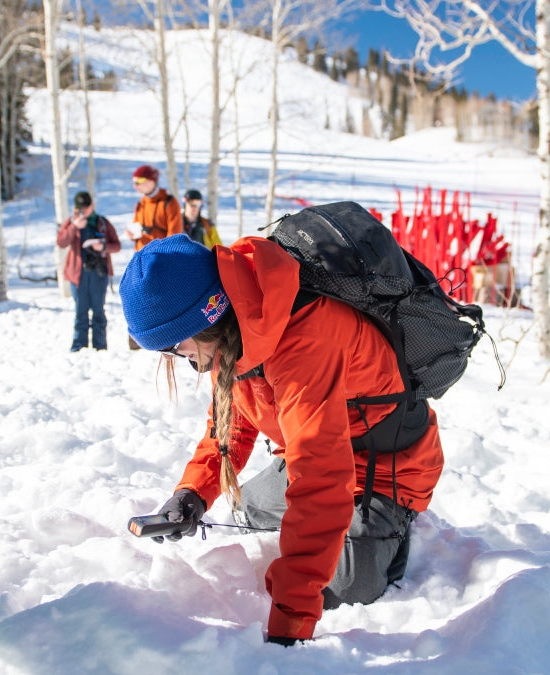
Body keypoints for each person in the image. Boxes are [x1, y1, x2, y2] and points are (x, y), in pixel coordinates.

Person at [119, 234, 445, 646]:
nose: (175, 357)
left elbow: (320, 480)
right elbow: (232, 425)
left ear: (203, 318)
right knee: (244, 508)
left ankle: (393, 524)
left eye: (172, 345)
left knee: (345, 589)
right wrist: (192, 494)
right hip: (313, 450)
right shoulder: (240, 323)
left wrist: (289, 625)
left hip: (384, 467)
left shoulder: (305, 339)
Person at [56, 191, 121, 352]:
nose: (82, 211)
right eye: (79, 208)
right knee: (81, 311)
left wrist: (103, 246)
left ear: (91, 206)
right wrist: (74, 227)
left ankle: (100, 346)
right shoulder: (71, 223)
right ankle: (79, 346)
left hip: (99, 273)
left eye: (85, 208)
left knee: (99, 311)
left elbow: (117, 245)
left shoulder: (102, 222)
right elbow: (61, 242)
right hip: (79, 274)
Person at [125, 164, 181, 349]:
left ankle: (166, 339)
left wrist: (148, 237)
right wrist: (133, 233)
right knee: (137, 300)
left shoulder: (169, 202)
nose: (135, 186)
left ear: (151, 180)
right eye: (133, 183)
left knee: (162, 302)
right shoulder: (140, 204)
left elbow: (174, 236)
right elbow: (137, 226)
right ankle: (137, 341)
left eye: (138, 182)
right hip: (140, 260)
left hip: (162, 261)